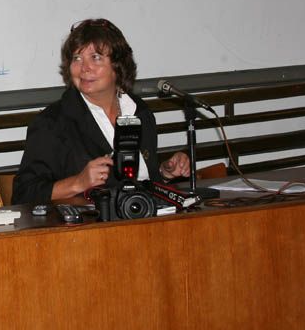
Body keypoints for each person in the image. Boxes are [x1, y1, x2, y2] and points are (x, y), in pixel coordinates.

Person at [11, 18, 190, 205]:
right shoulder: (53, 122)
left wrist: (164, 173)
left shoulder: (140, 111)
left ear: (117, 66)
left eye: (95, 57)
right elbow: (23, 194)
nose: (84, 68)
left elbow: (141, 182)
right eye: (77, 58)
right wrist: (78, 183)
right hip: (89, 222)